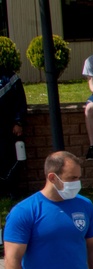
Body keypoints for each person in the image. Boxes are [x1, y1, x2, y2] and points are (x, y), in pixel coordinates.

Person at [0, 59, 26, 197]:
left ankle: (10, 189)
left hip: (7, 128)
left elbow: (20, 101)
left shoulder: (10, 78)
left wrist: (18, 122)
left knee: (8, 157)